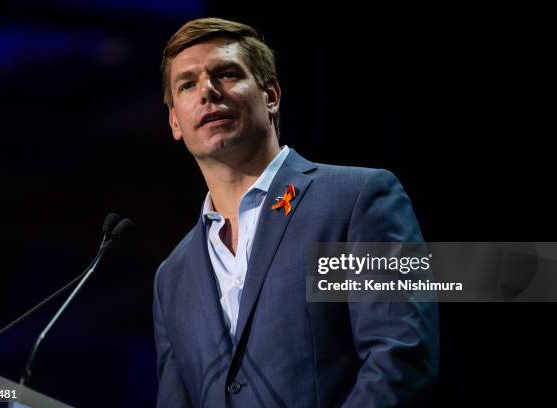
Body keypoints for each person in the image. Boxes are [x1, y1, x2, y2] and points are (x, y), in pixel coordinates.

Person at [153, 17, 439, 407]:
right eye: (187, 84)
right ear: (175, 121)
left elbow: (400, 357)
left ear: (270, 95)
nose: (207, 91)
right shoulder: (172, 277)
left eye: (226, 74)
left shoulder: (355, 200)